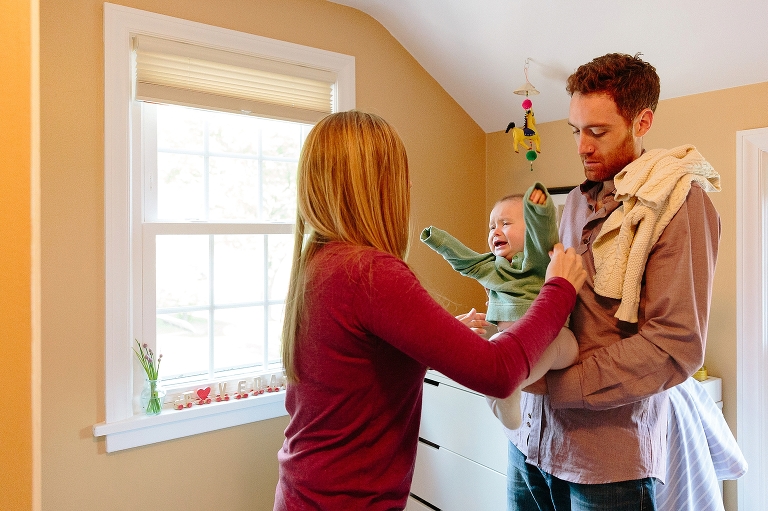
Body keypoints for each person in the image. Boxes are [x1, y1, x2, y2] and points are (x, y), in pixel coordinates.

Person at [273, 110, 587, 511]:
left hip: (303, 492)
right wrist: (559, 287)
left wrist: (440, 334)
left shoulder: (320, 263)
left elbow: (358, 361)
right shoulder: (370, 272)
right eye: (401, 176)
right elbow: (498, 372)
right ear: (380, 187)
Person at [507, 53, 721, 511]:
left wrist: (557, 387)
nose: (581, 146)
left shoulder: (680, 205)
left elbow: (675, 344)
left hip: (605, 465)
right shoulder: (576, 203)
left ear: (642, 121)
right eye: (575, 130)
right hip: (530, 444)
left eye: (597, 132)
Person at [420, 182, 578, 430]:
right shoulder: (491, 266)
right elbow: (464, 261)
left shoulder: (535, 258)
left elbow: (544, 235)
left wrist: (540, 210)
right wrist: (437, 240)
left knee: (562, 345)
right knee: (491, 350)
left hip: (554, 337)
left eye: (505, 223)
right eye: (492, 226)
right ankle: (502, 391)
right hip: (509, 342)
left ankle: (509, 385)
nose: (495, 231)